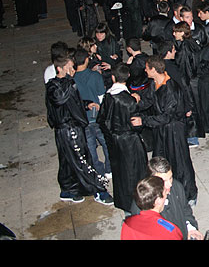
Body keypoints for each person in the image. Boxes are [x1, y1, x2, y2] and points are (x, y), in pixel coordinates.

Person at [45, 54, 113, 205]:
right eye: (69, 68)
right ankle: (98, 190)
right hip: (68, 130)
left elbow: (72, 102)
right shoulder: (55, 86)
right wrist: (69, 80)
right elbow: (60, 99)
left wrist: (86, 103)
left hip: (69, 127)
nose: (73, 70)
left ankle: (68, 189)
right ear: (60, 69)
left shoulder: (66, 84)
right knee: (83, 160)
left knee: (68, 160)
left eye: (73, 67)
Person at [131, 56, 198, 204]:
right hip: (161, 129)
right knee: (160, 160)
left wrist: (144, 120)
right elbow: (148, 100)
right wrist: (134, 102)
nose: (145, 70)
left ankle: (189, 194)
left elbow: (167, 116)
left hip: (174, 130)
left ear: (154, 70)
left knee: (180, 162)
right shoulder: (154, 83)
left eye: (147, 68)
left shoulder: (171, 89)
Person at [97, 62, 147, 213]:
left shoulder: (108, 96)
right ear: (128, 77)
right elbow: (137, 124)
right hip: (129, 141)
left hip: (114, 141)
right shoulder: (129, 100)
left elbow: (102, 120)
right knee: (134, 173)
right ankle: (136, 204)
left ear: (113, 77)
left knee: (120, 173)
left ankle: (123, 202)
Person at [72, 49, 111, 179]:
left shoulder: (72, 79)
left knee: (90, 147)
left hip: (83, 119)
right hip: (97, 116)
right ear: (87, 60)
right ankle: (109, 169)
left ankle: (97, 171)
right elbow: (101, 96)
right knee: (106, 143)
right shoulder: (95, 76)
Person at [121, 176, 182, 240]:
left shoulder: (127, 224)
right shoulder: (170, 231)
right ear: (158, 201)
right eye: (165, 192)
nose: (167, 193)